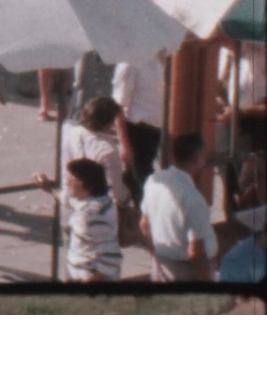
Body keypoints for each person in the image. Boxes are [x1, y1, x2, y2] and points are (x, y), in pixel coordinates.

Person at [140, 132, 218, 281]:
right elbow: (196, 251)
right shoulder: (193, 199)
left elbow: (144, 224)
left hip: (161, 264)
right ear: (199, 158)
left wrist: (154, 259)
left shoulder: (153, 180)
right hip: (187, 271)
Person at [34, 159, 122, 282]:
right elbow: (69, 200)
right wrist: (49, 188)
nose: (67, 183)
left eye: (71, 180)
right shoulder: (102, 201)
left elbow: (111, 257)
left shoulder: (90, 216)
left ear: (87, 185)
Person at [113, 54, 166, 205]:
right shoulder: (130, 62)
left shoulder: (160, 59)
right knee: (143, 188)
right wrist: (124, 144)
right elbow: (118, 107)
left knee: (141, 183)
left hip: (157, 130)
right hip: (137, 130)